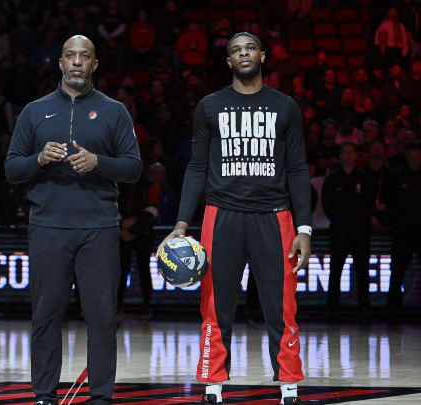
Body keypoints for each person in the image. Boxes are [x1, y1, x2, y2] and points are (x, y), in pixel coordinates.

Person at [157, 32, 311, 405]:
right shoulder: (210, 106)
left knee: (282, 305)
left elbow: (297, 168)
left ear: (262, 55)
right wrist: (181, 222)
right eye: (235, 50)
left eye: (249, 48)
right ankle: (213, 385)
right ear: (229, 62)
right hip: (220, 215)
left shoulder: (284, 106)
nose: (243, 54)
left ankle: (289, 386)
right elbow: (195, 167)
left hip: (274, 217)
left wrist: (304, 228)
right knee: (214, 304)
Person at [5, 35, 142, 405]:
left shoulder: (114, 111)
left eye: (85, 56)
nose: (77, 62)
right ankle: (45, 394)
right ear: (60, 63)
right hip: (48, 227)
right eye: (71, 56)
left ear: (95, 64)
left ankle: (100, 396)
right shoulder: (34, 111)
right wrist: (37, 159)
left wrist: (99, 163)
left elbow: (133, 168)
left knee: (100, 318)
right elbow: (11, 168)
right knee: (46, 316)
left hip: (99, 228)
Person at [322, 144, 374, 319]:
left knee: (362, 271)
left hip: (360, 233)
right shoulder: (332, 179)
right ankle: (332, 306)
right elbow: (326, 204)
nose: (348, 155)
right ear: (340, 155)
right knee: (335, 270)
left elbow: (369, 204)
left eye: (351, 152)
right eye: (345, 152)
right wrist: (337, 221)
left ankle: (364, 307)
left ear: (356, 155)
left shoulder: (365, 178)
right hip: (339, 232)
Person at [386, 140, 421, 318]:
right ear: (407, 156)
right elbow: (388, 203)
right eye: (412, 157)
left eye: (418, 157)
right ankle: (393, 310)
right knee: (397, 272)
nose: (415, 160)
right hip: (402, 232)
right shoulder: (396, 176)